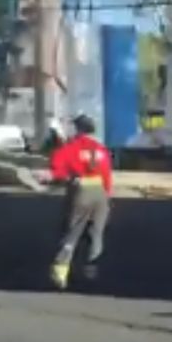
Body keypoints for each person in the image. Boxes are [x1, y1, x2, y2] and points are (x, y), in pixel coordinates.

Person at [45, 114, 113, 290]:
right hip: (100, 194)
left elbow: (57, 167)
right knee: (95, 234)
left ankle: (60, 272)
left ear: (79, 129)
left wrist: (53, 176)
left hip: (81, 191)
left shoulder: (72, 147)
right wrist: (107, 197)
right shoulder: (101, 149)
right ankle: (91, 272)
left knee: (72, 231)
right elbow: (107, 176)